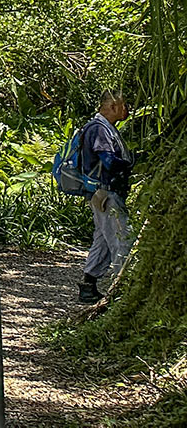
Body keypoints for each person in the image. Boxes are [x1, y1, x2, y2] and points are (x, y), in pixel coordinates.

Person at [77, 89, 133, 305]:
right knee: (122, 239)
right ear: (112, 106)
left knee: (102, 240)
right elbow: (108, 160)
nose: (127, 110)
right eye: (124, 105)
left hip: (101, 194)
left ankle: (88, 286)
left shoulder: (102, 127)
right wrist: (130, 163)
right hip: (106, 193)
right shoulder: (100, 129)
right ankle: (123, 290)